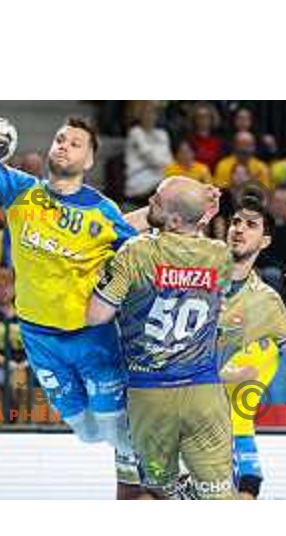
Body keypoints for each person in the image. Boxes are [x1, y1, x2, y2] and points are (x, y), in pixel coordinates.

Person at [0, 116, 144, 449]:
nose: (64, 146)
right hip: (39, 338)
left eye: (75, 143)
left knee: (116, 431)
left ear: (90, 160)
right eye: (60, 139)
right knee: (85, 432)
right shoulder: (21, 190)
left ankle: (159, 486)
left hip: (91, 337)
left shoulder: (104, 211)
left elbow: (136, 242)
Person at [87, 176, 234, 499]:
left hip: (148, 394)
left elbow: (96, 315)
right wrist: (199, 212)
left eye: (155, 201)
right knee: (219, 496)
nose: (148, 203)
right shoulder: (219, 255)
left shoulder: (136, 253)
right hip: (203, 393)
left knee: (157, 492)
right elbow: (191, 242)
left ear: (175, 218)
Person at [220, 197, 286, 499]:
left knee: (248, 490)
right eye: (236, 222)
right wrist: (229, 376)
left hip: (231, 430)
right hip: (178, 418)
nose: (239, 229)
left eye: (250, 225)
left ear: (264, 241)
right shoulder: (195, 277)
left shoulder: (266, 301)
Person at [124, 101, 173, 203]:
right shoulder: (135, 133)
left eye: (153, 113)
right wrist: (161, 160)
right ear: (140, 115)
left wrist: (161, 162)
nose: (150, 116)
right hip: (139, 180)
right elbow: (152, 159)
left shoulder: (162, 134)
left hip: (160, 179)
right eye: (146, 113)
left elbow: (169, 161)